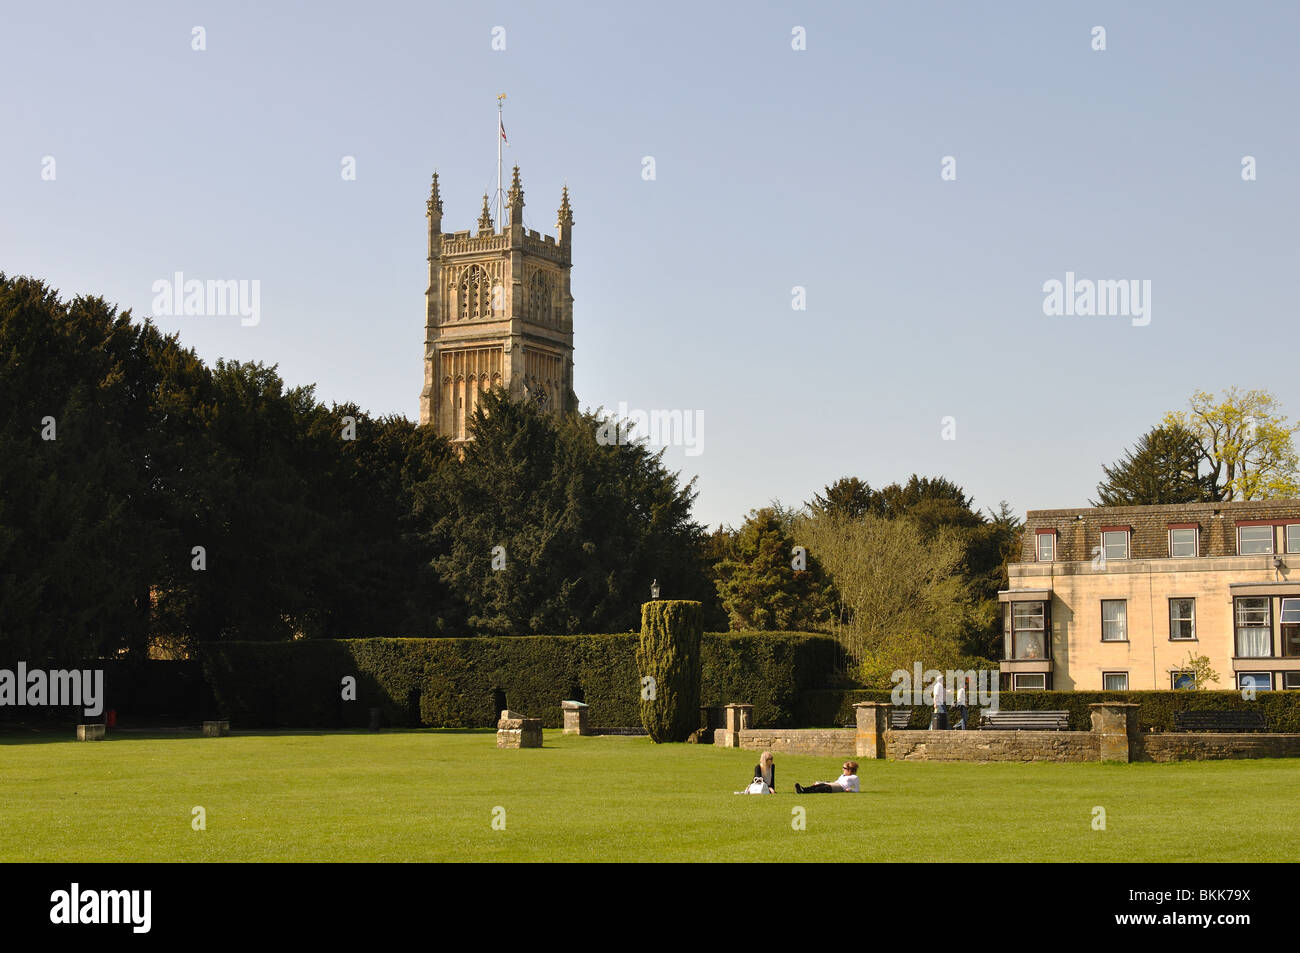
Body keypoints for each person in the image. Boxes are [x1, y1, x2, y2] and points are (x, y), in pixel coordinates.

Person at [794, 761, 859, 794]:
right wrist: (820, 782)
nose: (842, 769)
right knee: (820, 785)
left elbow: (857, 790)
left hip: (841, 788)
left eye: (844, 768)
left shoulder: (854, 777)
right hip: (836, 785)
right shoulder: (842, 776)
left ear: (850, 769)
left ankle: (804, 792)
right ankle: (803, 789)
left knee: (823, 788)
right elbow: (836, 782)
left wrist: (850, 790)